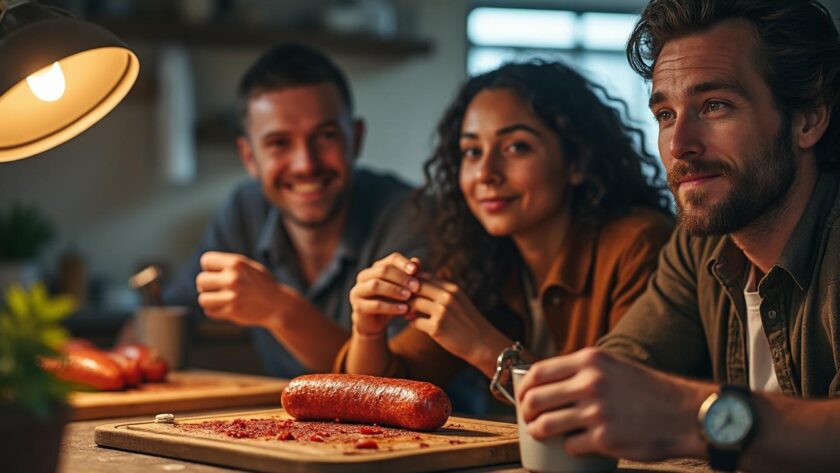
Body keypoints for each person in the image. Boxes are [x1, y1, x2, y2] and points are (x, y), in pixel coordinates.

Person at [515, 1, 840, 471]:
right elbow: (621, 367)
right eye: (665, 114)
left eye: (714, 105)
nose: (678, 144)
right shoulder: (701, 242)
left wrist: (693, 416)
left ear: (808, 119)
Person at [337, 61, 674, 394]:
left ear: (577, 162)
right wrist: (368, 330)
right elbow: (380, 391)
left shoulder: (640, 244)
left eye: (516, 147)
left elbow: (622, 405)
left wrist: (484, 346)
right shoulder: (480, 259)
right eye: (471, 151)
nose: (486, 173)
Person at [163, 44, 425, 377]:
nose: (306, 164)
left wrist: (279, 309)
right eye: (279, 143)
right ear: (248, 157)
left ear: (356, 139)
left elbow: (396, 387)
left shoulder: (412, 216)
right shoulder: (245, 210)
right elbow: (168, 313)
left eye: (325, 136)